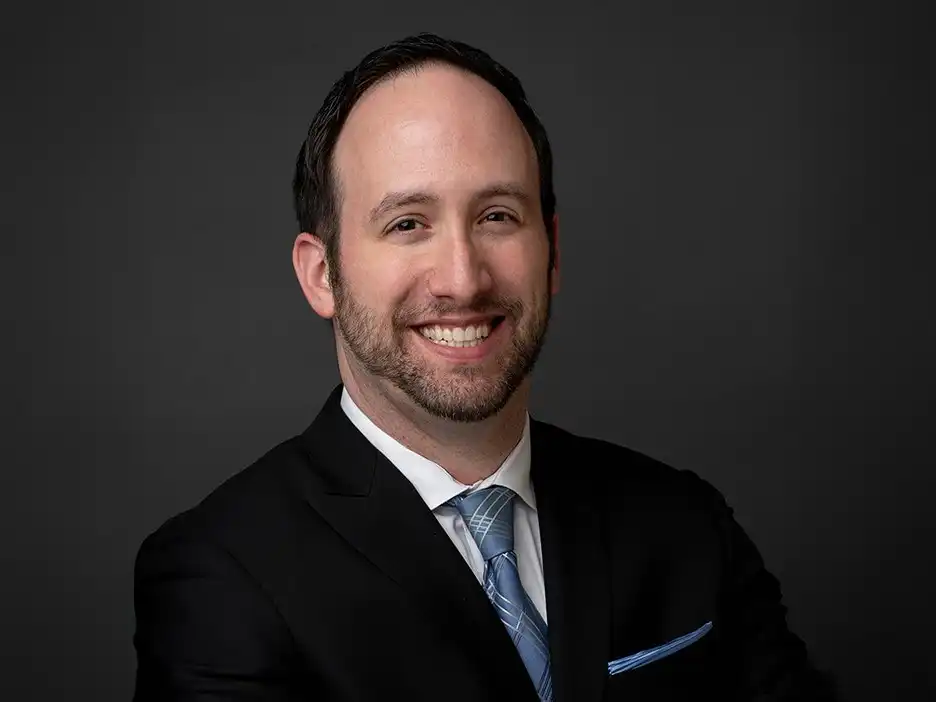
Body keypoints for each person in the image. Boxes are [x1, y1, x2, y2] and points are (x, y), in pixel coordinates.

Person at [132, 33, 836, 701]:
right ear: (322, 275)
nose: (463, 280)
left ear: (552, 251)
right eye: (408, 223)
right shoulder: (222, 573)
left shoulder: (685, 525)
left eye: (497, 215)